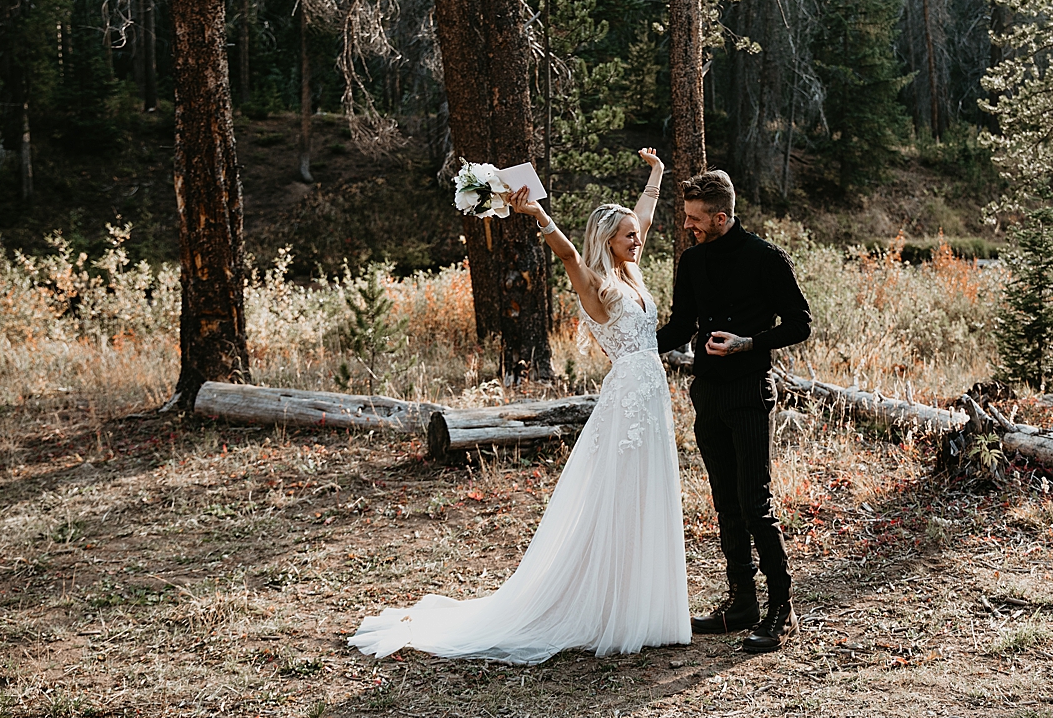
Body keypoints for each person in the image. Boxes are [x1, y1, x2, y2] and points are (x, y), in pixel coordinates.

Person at [348, 148, 693, 664]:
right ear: (608, 242)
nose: (637, 238)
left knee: (649, 491)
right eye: (627, 236)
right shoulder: (598, 284)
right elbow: (570, 257)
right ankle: (610, 605)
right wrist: (538, 214)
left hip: (653, 395)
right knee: (619, 494)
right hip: (627, 402)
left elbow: (642, 216)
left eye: (636, 234)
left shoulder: (633, 273)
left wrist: (657, 174)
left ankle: (646, 605)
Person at [653, 169, 812, 653]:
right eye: (686, 218)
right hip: (708, 394)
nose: (689, 226)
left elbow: (801, 324)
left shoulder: (766, 258)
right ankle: (741, 603)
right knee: (724, 501)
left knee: (754, 502)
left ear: (722, 216)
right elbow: (681, 324)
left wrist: (747, 343)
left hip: (749, 392)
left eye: (697, 219)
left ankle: (780, 609)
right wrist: (633, 346)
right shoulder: (692, 261)